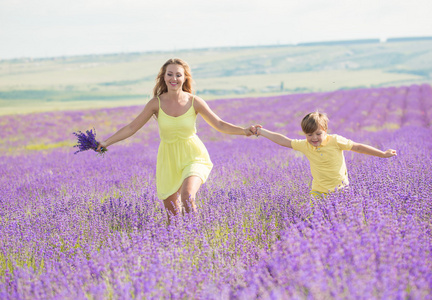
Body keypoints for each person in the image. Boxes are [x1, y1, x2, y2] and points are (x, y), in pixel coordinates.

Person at [96, 58, 256, 219]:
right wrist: (106, 142)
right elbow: (132, 127)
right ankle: (179, 241)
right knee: (172, 216)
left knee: (187, 196)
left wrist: (244, 131)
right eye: (170, 74)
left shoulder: (194, 101)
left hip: (194, 156)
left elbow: (220, 124)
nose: (174, 79)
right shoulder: (155, 104)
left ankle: (196, 237)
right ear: (163, 77)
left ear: (185, 77)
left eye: (178, 75)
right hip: (168, 160)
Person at [254, 111, 397, 197]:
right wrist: (262, 132)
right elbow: (283, 141)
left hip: (341, 190)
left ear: (326, 131)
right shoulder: (305, 145)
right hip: (318, 191)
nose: (314, 138)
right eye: (309, 135)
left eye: (318, 134)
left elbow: (358, 147)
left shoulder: (335, 140)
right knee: (316, 221)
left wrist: (383, 154)